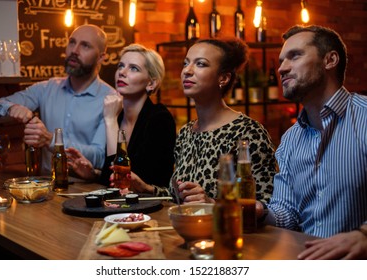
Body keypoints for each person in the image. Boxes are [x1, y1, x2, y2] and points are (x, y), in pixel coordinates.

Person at [255, 25, 367, 259]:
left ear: (330, 60)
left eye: (295, 56)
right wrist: (261, 213)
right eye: (281, 61)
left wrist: (363, 236)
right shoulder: (290, 139)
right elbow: (288, 213)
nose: (282, 68)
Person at [129, 38, 277, 203]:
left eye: (200, 64)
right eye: (185, 63)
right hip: (187, 227)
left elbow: (266, 203)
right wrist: (146, 189)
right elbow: (179, 198)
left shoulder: (248, 132)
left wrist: (211, 203)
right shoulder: (186, 132)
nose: (187, 71)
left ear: (224, 78)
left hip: (226, 229)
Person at [0, 24, 116, 175]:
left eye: (85, 46)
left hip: (86, 189)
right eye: (72, 42)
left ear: (101, 57)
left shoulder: (111, 100)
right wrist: (11, 108)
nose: (74, 50)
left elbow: (100, 157)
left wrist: (51, 140)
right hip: (48, 187)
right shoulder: (46, 88)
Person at [66, 43, 176, 189]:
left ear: (151, 83)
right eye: (121, 66)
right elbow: (111, 177)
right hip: (121, 207)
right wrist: (93, 174)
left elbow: (125, 181)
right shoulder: (118, 115)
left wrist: (110, 121)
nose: (122, 72)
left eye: (133, 68)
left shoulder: (160, 119)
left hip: (153, 208)